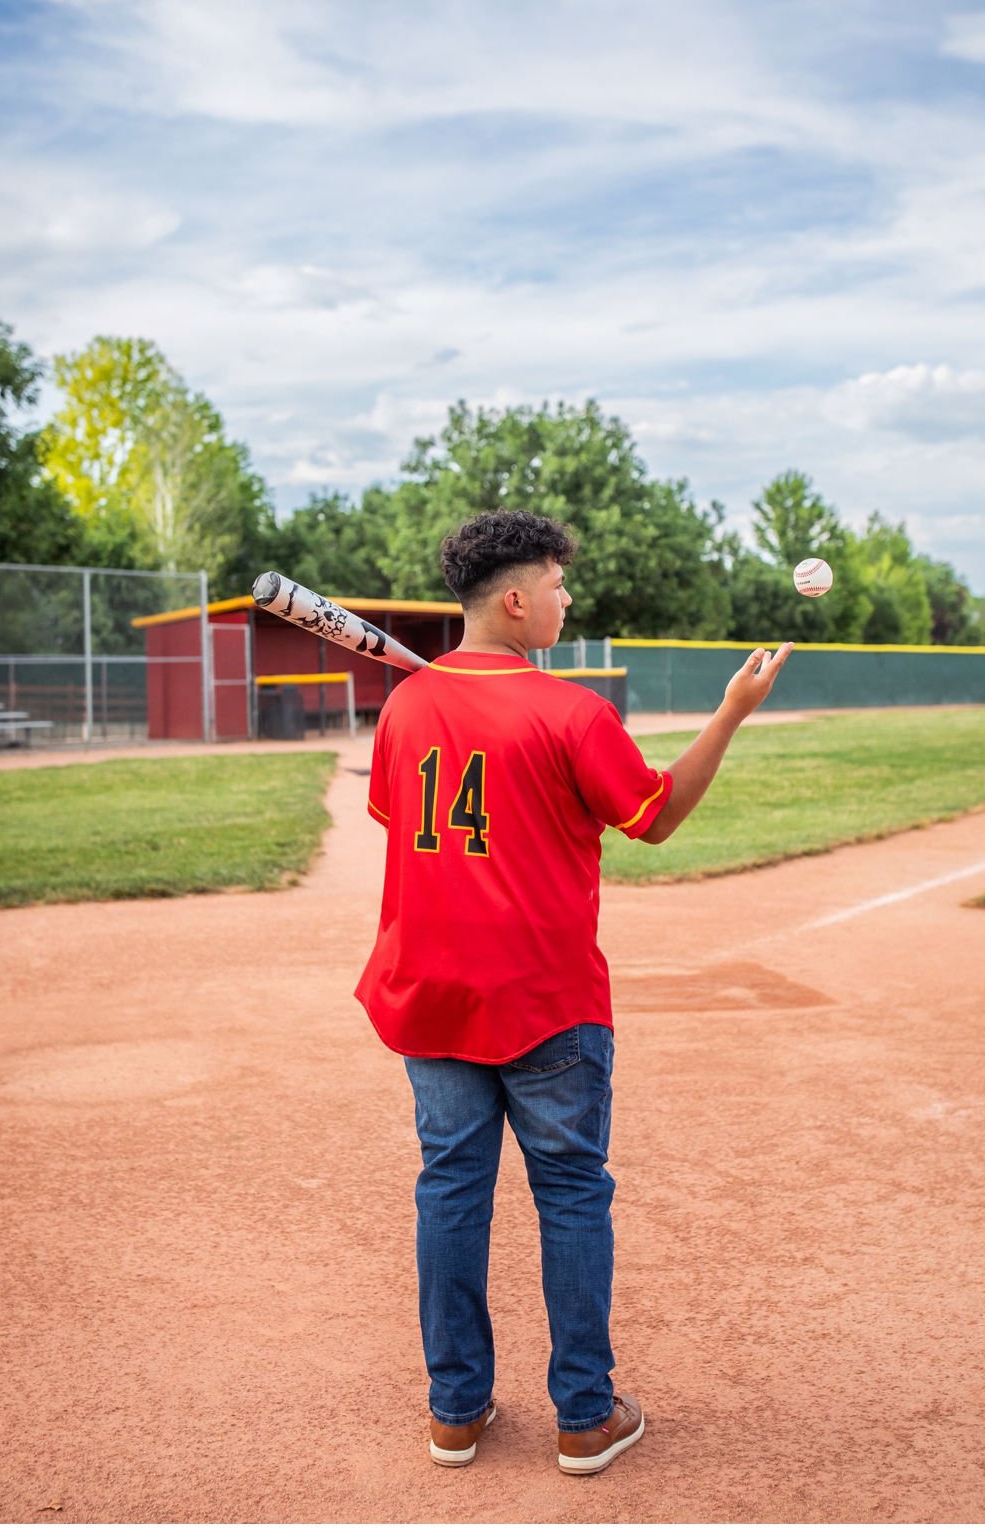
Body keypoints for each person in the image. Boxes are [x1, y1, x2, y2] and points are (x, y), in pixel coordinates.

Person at [357, 509, 788, 1476]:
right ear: (515, 599)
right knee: (571, 1197)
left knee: (451, 1194)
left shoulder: (406, 707)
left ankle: (454, 1413)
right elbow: (656, 816)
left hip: (431, 995)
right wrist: (731, 712)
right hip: (546, 1001)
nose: (567, 597)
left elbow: (397, 819)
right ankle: (584, 1417)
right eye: (557, 583)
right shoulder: (572, 712)